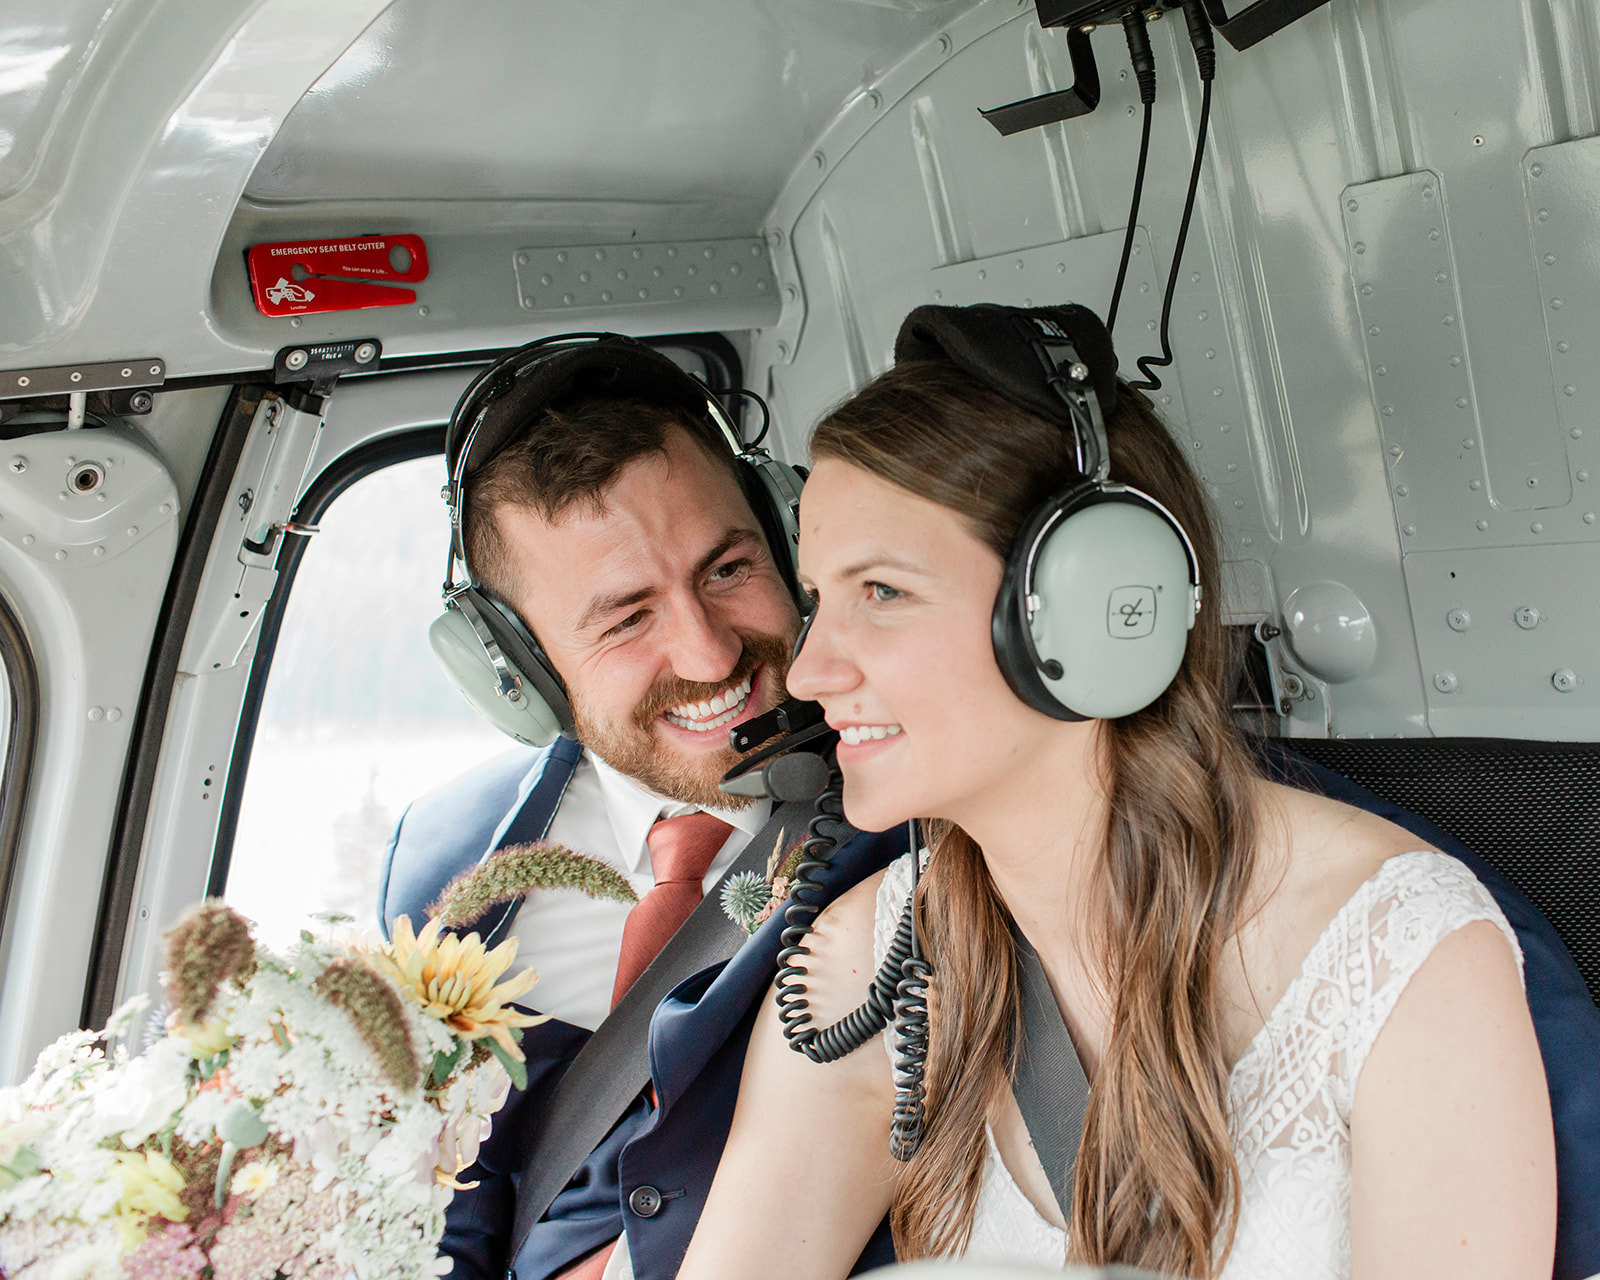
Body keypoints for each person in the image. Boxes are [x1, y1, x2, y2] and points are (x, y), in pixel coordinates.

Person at [679, 303, 1560, 1280]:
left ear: (1102, 606)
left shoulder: (1401, 955)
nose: (808, 671)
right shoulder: (860, 964)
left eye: (880, 592)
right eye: (816, 600)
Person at [378, 334, 909, 1280]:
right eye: (627, 618)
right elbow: (436, 1204)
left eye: (728, 570)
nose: (710, 656)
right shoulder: (442, 858)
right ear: (520, 671)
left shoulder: (918, 800)